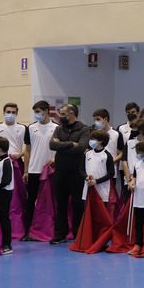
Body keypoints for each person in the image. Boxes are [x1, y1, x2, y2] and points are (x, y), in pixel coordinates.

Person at [48, 103, 91, 244]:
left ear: (72, 114)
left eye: (63, 114)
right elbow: (52, 145)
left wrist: (61, 145)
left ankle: (78, 232)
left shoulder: (84, 129)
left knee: (78, 203)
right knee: (61, 203)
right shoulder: (59, 128)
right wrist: (71, 143)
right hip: (60, 171)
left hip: (76, 171)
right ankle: (61, 233)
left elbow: (81, 148)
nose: (60, 116)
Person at [24, 100, 57, 236]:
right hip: (34, 170)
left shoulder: (56, 128)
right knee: (31, 200)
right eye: (35, 112)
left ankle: (53, 229)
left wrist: (55, 159)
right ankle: (29, 230)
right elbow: (27, 150)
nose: (36, 114)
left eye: (38, 112)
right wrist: (26, 170)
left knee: (52, 201)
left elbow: (60, 148)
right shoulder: (31, 128)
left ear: (46, 111)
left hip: (50, 171)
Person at [82, 130, 115, 206]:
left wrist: (96, 181)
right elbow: (81, 169)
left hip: (102, 192)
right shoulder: (87, 154)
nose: (91, 141)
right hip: (88, 189)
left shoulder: (107, 155)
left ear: (100, 141)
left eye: (93, 139)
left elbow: (111, 173)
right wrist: (86, 177)